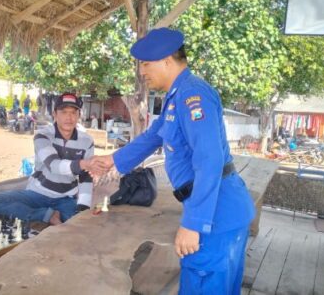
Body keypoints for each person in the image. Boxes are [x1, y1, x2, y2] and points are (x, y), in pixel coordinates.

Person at [92, 28, 255, 295]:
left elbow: (209, 160)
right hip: (220, 210)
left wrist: (194, 224)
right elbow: (152, 138)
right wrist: (112, 160)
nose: (142, 71)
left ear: (167, 59)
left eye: (146, 63)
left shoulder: (194, 96)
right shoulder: (176, 97)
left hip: (215, 216)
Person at [0, 93, 99, 225]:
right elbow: (53, 165)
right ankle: (45, 214)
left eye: (73, 112)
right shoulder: (43, 135)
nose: (69, 117)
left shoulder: (87, 141)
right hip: (37, 193)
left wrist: (82, 208)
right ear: (55, 114)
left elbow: (86, 177)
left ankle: (48, 214)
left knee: (79, 223)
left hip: (66, 198)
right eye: (64, 112)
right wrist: (83, 164)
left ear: (78, 115)